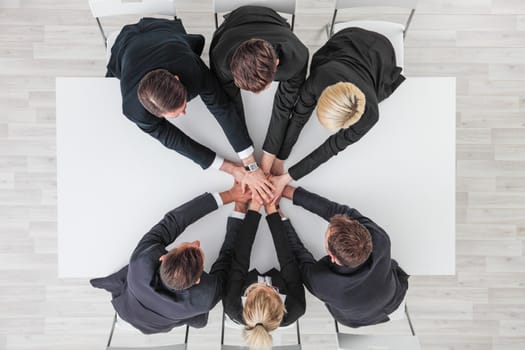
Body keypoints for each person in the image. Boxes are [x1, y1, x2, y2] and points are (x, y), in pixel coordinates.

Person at [107, 17, 272, 201]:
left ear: (177, 79)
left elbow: (221, 107)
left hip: (162, 30)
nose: (185, 113)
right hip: (127, 44)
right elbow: (173, 140)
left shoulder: (190, 67)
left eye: (183, 105)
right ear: (156, 114)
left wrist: (250, 164)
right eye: (176, 115)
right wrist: (231, 169)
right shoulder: (134, 110)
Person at [90, 182, 250, 334]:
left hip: (136, 308)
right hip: (153, 320)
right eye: (197, 247)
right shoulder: (206, 295)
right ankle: (127, 322)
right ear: (197, 281)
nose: (197, 242)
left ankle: (128, 320)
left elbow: (173, 221)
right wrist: (240, 209)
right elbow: (227, 257)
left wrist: (230, 194)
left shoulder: (142, 260)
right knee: (199, 319)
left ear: (163, 257)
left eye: (192, 246)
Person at [270, 27, 406, 194]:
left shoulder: (370, 115)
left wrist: (287, 177)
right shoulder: (318, 79)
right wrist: (280, 157)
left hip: (381, 54)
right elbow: (299, 117)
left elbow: (332, 147)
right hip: (351, 39)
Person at [280, 185, 409, 328]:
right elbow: (337, 211)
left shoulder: (322, 283)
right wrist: (286, 190)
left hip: (367, 313)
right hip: (391, 296)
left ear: (333, 256)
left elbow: (299, 254)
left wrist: (278, 215)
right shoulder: (379, 238)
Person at [209, 6, 309, 176]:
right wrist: (249, 162)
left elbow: (284, 106)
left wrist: (267, 160)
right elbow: (230, 106)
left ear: (276, 64)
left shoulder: (297, 58)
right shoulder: (220, 59)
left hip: (275, 22)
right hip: (232, 24)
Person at [222, 193, 305, 350]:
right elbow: (287, 260)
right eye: (271, 289)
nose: (266, 285)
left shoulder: (232, 306)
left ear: (246, 298)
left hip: (239, 316)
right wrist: (271, 211)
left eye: (257, 288)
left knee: (230, 254)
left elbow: (240, 258)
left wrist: (254, 207)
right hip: (272, 312)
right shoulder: (296, 308)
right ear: (281, 304)